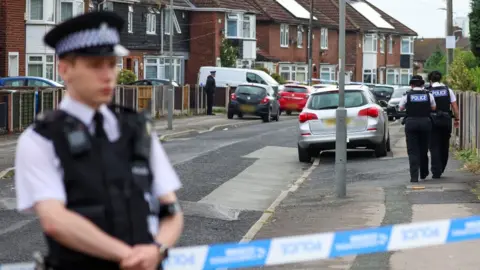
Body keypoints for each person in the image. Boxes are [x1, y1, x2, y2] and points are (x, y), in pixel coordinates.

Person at [14, 11, 183, 270]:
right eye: (95, 65)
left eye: (112, 64)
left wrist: (157, 249)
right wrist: (129, 256)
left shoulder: (138, 129)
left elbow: (171, 210)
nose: (107, 75)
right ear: (64, 69)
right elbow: (54, 220)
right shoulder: (41, 139)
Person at [399, 75, 436, 183]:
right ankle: (424, 173)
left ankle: (414, 177)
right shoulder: (429, 95)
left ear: (411, 85)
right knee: (424, 149)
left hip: (411, 123)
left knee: (413, 151)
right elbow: (433, 107)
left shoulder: (407, 95)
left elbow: (401, 107)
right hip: (425, 123)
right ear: (422, 85)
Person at [427, 70, 460, 178]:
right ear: (440, 79)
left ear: (430, 80)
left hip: (432, 121)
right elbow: (454, 107)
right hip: (445, 120)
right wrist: (457, 119)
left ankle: (436, 170)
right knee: (444, 144)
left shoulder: (428, 91)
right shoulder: (448, 90)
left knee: (434, 145)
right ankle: (442, 167)